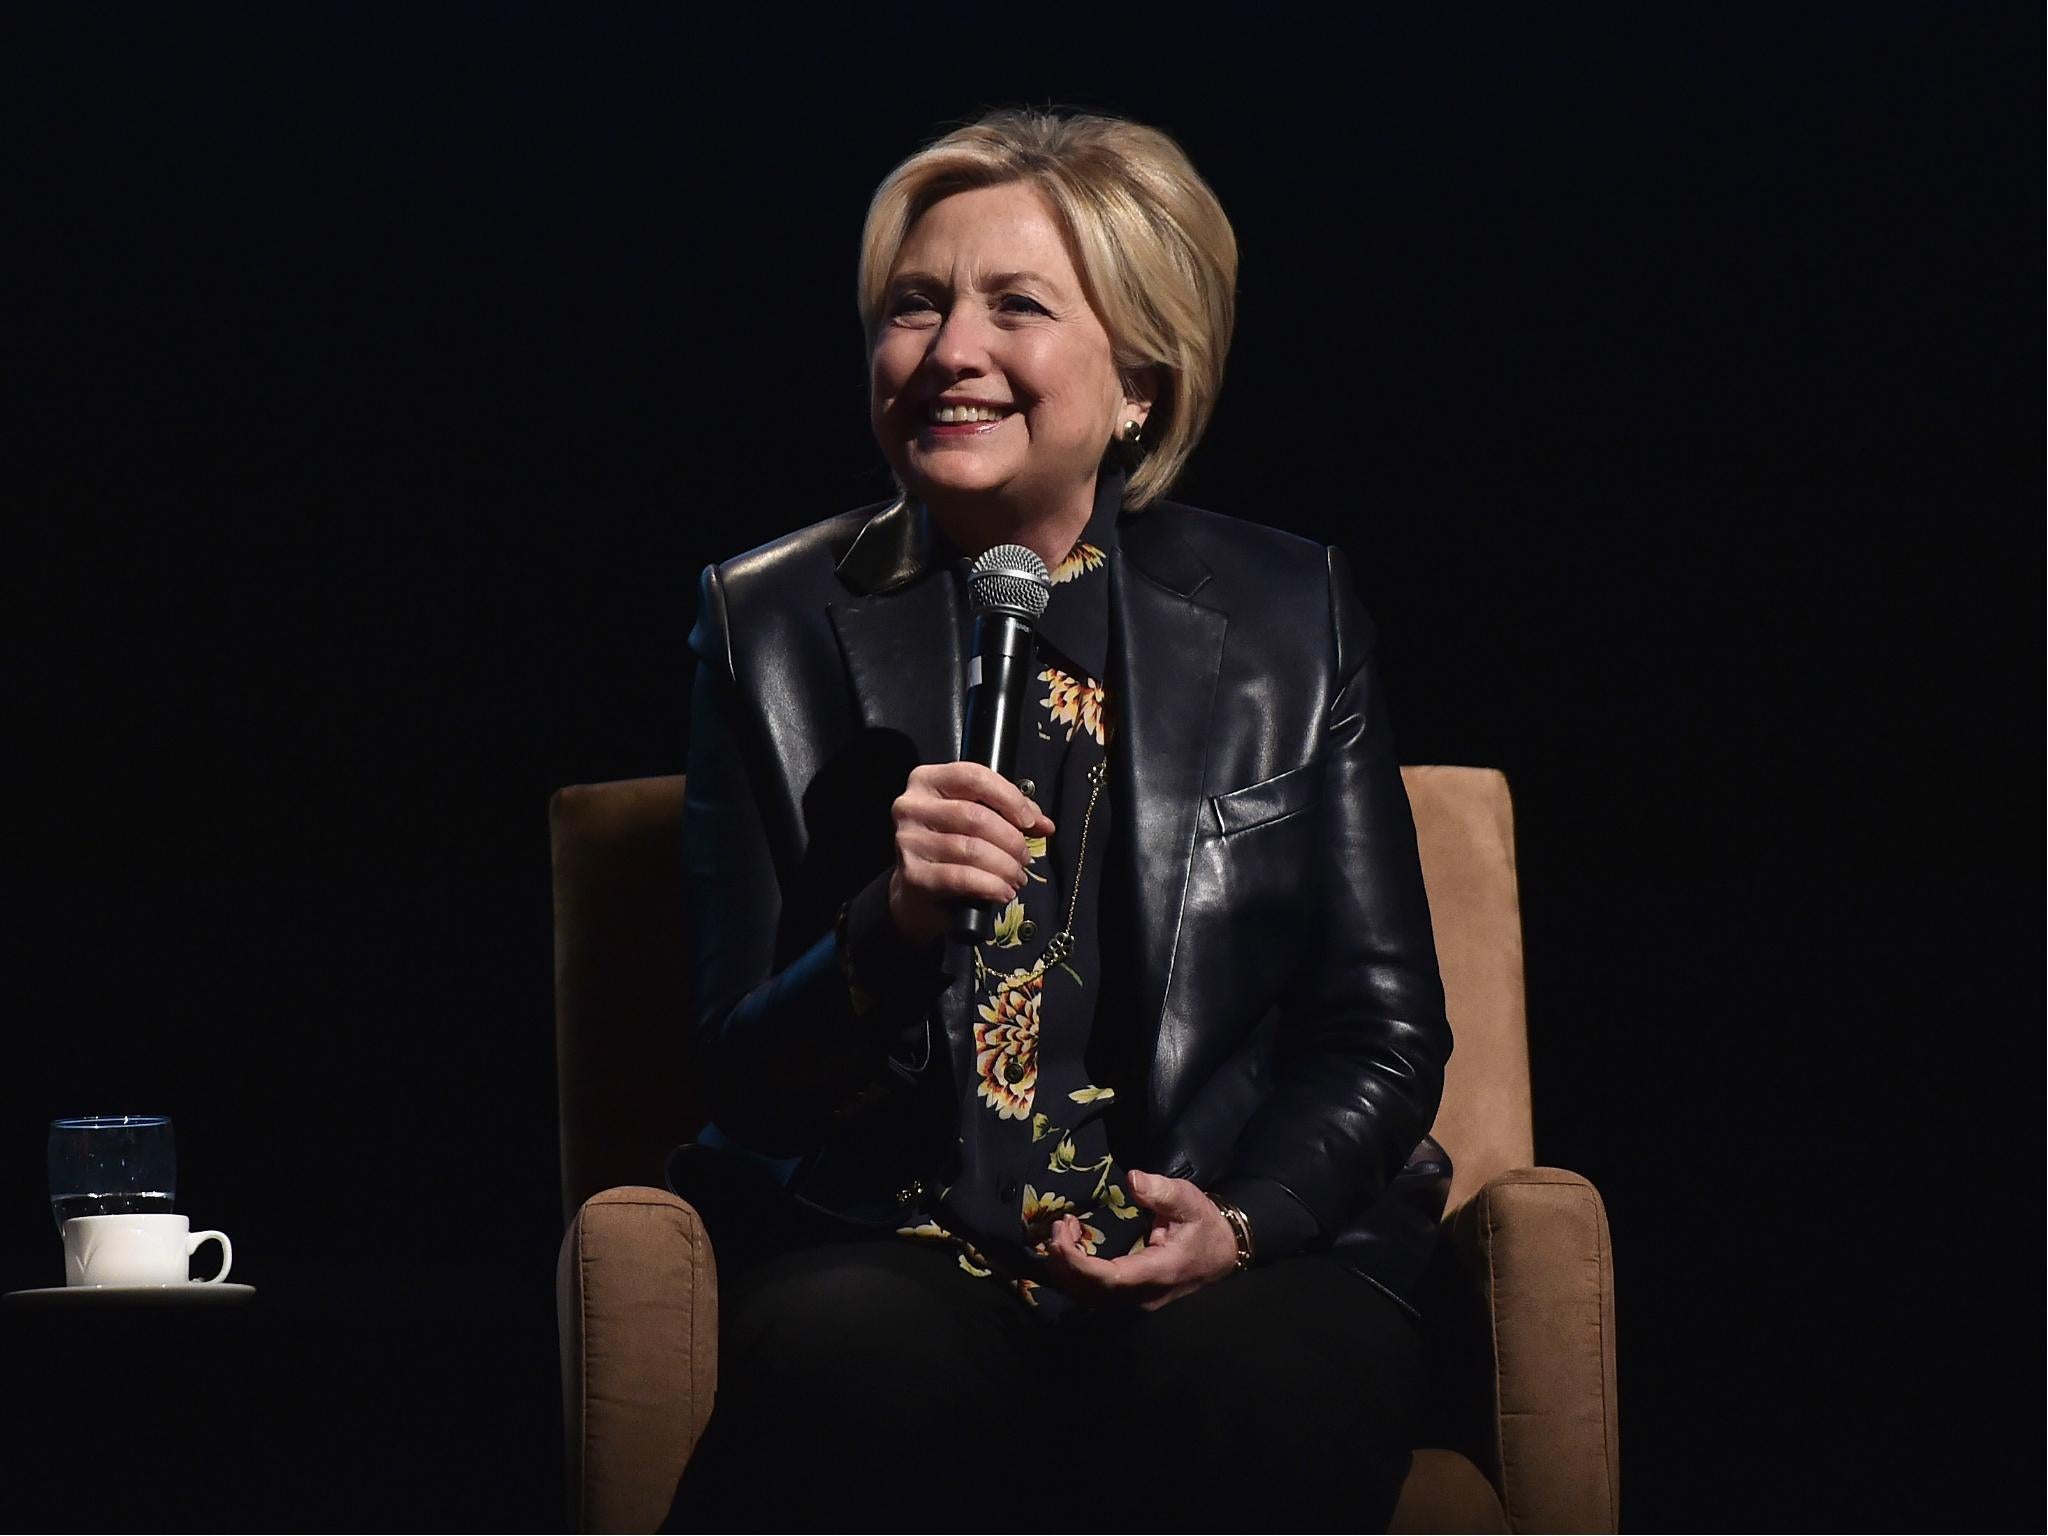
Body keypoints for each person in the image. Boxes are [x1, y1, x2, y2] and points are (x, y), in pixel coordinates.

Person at [663, 108, 1453, 1533]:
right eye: (914, 306)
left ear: (1142, 373)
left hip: (1223, 1237)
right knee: (847, 1366)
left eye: (1015, 306)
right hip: (897, 1239)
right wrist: (887, 930)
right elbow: (740, 1077)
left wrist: (1248, 1222)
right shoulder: (764, 620)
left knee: (1273, 1387)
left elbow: (1378, 1030)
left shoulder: (1291, 615)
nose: (949, 351)